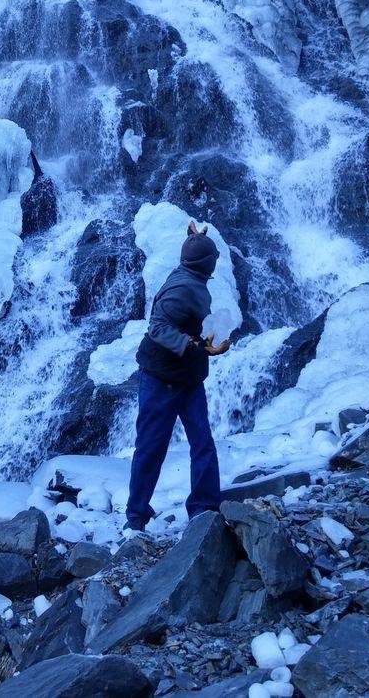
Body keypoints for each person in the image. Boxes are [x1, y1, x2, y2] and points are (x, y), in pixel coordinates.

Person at [125, 221, 231, 532]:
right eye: (213, 257)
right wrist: (197, 346)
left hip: (187, 375)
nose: (216, 262)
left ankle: (204, 508)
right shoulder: (184, 288)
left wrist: (195, 238)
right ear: (207, 264)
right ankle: (135, 518)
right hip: (162, 377)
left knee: (202, 442)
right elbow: (157, 327)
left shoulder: (188, 275)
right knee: (152, 446)